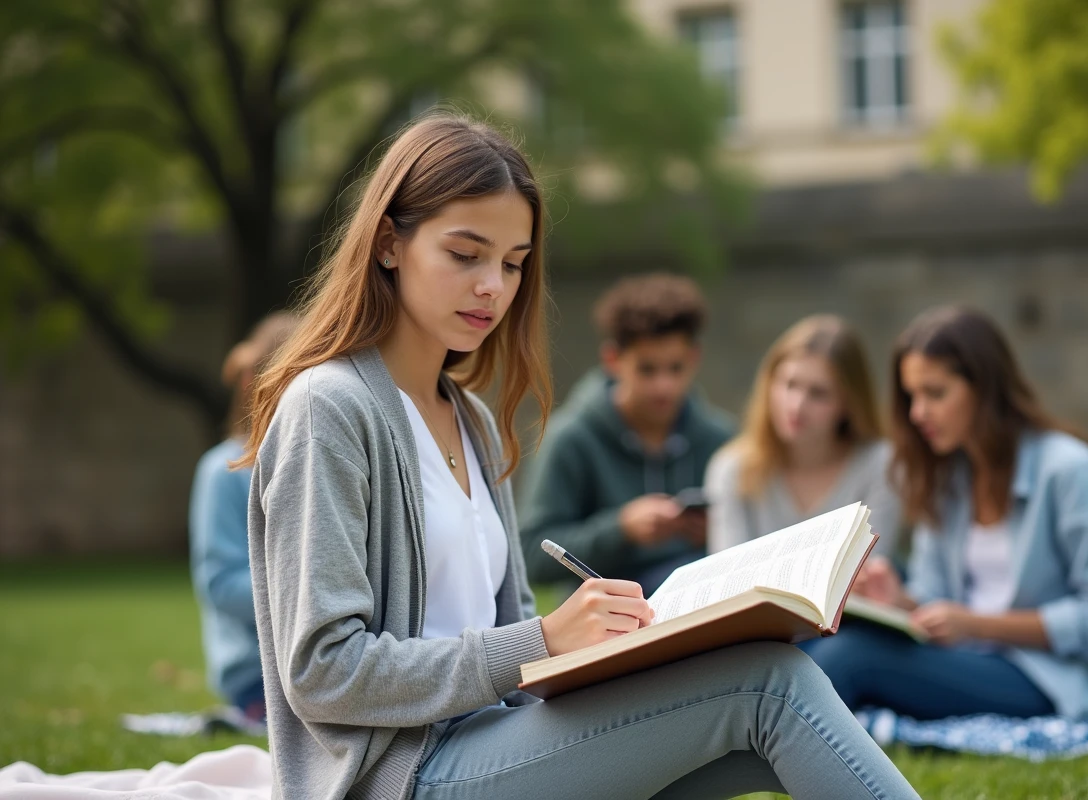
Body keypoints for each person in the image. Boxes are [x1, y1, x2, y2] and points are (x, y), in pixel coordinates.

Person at [233, 114, 918, 800]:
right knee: (768, 687)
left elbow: (510, 635)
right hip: (404, 776)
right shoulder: (329, 407)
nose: (493, 287)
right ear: (389, 244)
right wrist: (541, 640)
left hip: (499, 739)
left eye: (512, 263)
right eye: (466, 254)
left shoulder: (469, 418)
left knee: (768, 707)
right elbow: (323, 672)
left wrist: (622, 651)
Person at [802, 306, 1088, 721]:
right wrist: (899, 602)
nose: (917, 413)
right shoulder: (949, 478)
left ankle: (772, 748)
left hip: (1047, 677)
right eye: (911, 396)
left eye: (935, 393)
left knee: (853, 657)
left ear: (985, 388)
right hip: (965, 658)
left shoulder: (1070, 471)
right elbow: (936, 597)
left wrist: (978, 625)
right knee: (821, 639)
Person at [519, 273, 735, 593]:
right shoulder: (570, 439)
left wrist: (717, 531)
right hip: (607, 607)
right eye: (647, 369)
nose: (664, 386)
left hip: (701, 598)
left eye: (676, 368)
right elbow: (531, 554)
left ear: (694, 358)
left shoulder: (721, 439)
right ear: (613, 360)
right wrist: (621, 529)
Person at [705, 314, 903, 562]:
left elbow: (867, 569)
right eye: (789, 385)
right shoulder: (732, 469)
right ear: (768, 383)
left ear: (848, 402)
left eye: (818, 393)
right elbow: (726, 569)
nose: (797, 406)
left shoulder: (882, 466)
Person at [188, 311, 297, 724]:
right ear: (254, 381)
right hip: (259, 677)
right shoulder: (223, 471)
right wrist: (307, 598)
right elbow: (220, 583)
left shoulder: (317, 465)